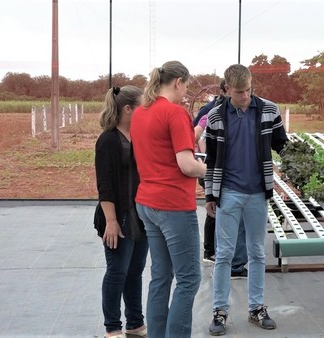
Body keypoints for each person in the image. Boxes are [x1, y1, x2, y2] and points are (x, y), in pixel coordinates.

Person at [204, 64, 288, 336]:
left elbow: (282, 145)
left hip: (257, 193)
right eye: (239, 92)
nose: (245, 96)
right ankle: (220, 311)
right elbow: (211, 159)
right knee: (224, 254)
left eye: (249, 90)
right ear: (227, 89)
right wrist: (209, 194)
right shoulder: (216, 116)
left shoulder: (269, 110)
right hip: (228, 192)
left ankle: (256, 308)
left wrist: (303, 163)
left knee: (257, 252)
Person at [130, 61, 206, 338]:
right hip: (173, 205)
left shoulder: (140, 113)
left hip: (147, 203)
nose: (186, 91)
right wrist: (208, 170)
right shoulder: (175, 113)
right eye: (186, 85)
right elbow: (186, 165)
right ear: (178, 82)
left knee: (161, 277)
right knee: (188, 279)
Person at [93, 85, 149, 338]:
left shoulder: (138, 135)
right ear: (128, 109)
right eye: (142, 106)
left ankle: (135, 324)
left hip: (141, 216)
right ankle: (112, 328)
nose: (146, 110)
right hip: (118, 216)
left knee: (135, 272)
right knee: (117, 272)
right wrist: (111, 221)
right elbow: (104, 185)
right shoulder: (108, 140)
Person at [194, 84, 248, 280]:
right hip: (221, 173)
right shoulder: (218, 113)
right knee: (228, 215)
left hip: (213, 170)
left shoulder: (208, 111)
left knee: (215, 210)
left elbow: (196, 134)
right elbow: (198, 136)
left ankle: (213, 253)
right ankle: (231, 263)